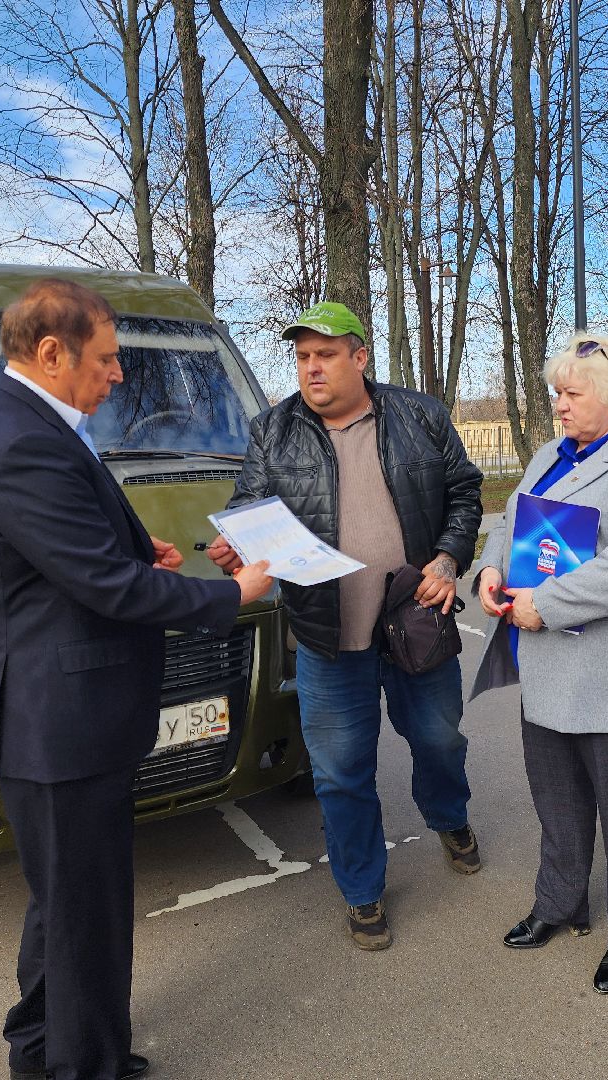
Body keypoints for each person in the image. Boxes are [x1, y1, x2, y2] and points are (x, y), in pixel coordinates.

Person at [0, 279, 273, 1080]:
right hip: (59, 724)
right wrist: (229, 594)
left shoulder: (30, 422)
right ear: (51, 353)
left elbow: (70, 563)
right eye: (106, 358)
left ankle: (38, 1047)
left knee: (62, 904)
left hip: (58, 715)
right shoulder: (26, 440)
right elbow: (105, 588)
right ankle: (83, 1066)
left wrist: (138, 554)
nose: (118, 374)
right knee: (85, 913)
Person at [206, 301, 483, 951]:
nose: (311, 368)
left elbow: (465, 495)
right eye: (302, 357)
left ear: (360, 357)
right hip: (328, 640)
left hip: (416, 621)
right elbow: (247, 510)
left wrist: (447, 558)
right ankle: (362, 891)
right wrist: (236, 546)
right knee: (339, 773)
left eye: (324, 355)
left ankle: (450, 818)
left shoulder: (420, 416)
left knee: (440, 741)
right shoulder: (272, 431)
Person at [471, 332, 608, 994]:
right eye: (556, 393)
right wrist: (489, 567)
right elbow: (511, 522)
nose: (558, 406)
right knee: (558, 803)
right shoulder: (546, 455)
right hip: (548, 666)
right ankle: (559, 904)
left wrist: (548, 605)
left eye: (571, 394)